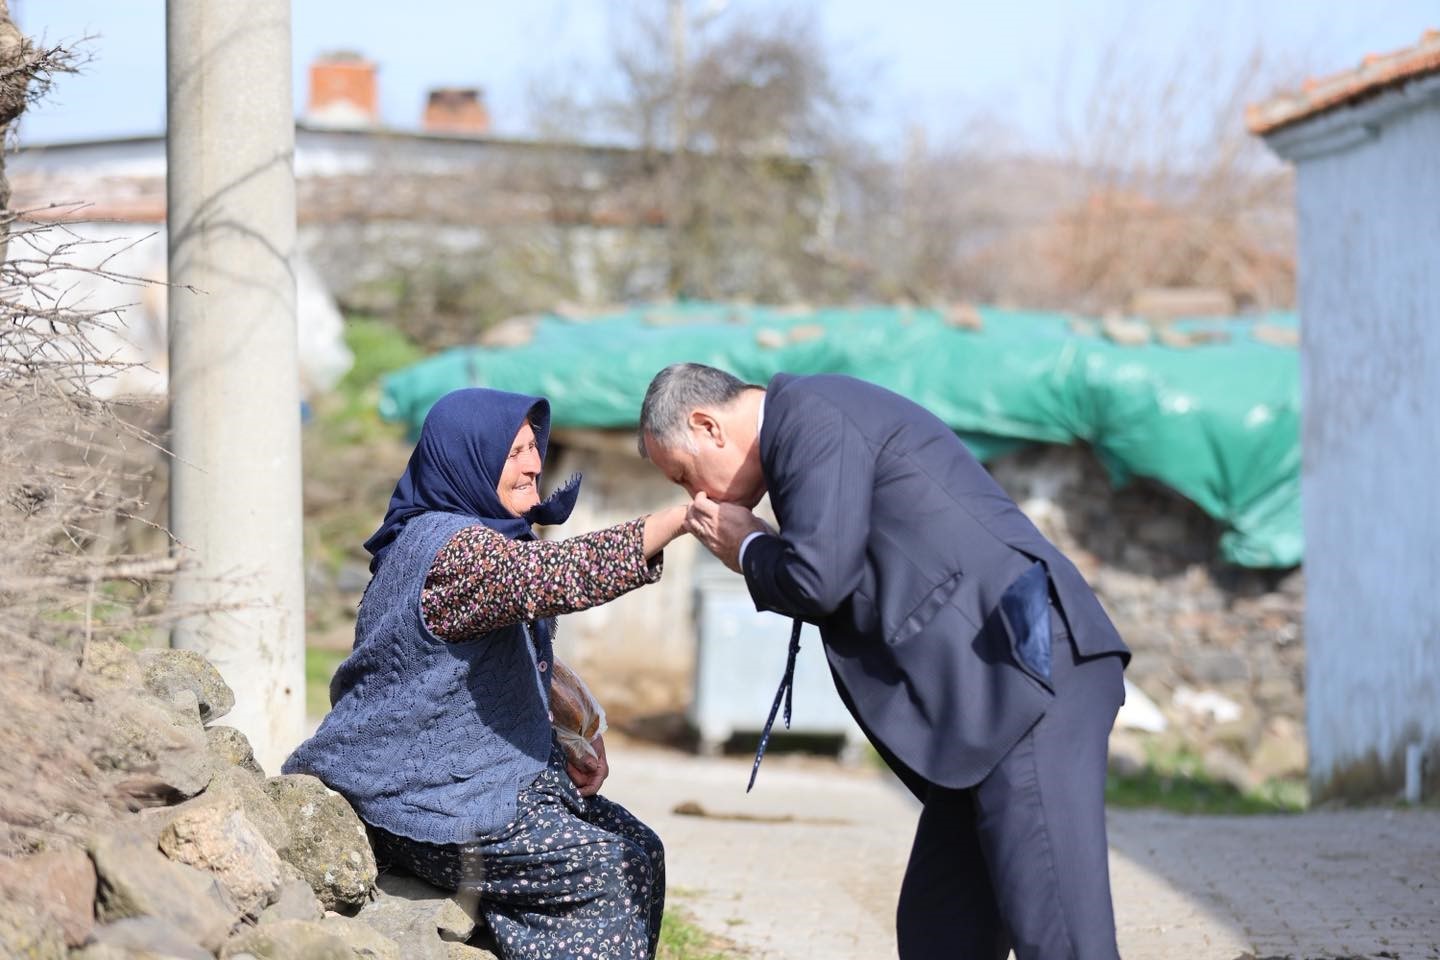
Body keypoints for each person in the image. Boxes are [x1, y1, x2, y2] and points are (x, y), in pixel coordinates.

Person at [637, 363, 1131, 960]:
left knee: (1057, 934)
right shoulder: (808, 421)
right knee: (940, 930)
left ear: (707, 425)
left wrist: (749, 547)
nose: (699, 497)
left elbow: (820, 577)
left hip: (1024, 676)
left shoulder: (810, 416)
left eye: (686, 475)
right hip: (981, 702)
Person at [285, 387, 687, 960]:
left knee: (639, 847)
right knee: (601, 868)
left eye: (533, 448)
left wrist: (566, 736)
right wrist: (677, 520)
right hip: (419, 795)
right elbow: (552, 576)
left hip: (469, 783)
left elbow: (499, 660)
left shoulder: (484, 537)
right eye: (512, 451)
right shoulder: (454, 548)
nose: (532, 464)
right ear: (465, 457)